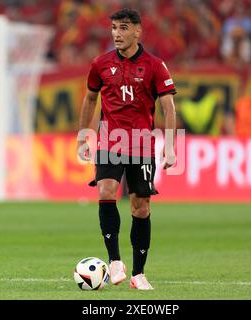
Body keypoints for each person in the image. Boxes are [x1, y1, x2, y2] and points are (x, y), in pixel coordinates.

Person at [76, 8, 177, 290]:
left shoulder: (156, 65)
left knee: (140, 207)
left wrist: (170, 146)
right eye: (113, 28)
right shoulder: (101, 64)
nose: (116, 34)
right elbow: (89, 99)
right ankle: (115, 261)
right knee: (106, 190)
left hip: (142, 145)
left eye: (122, 28)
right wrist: (84, 136)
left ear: (137, 31)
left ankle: (139, 273)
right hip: (110, 141)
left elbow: (168, 106)